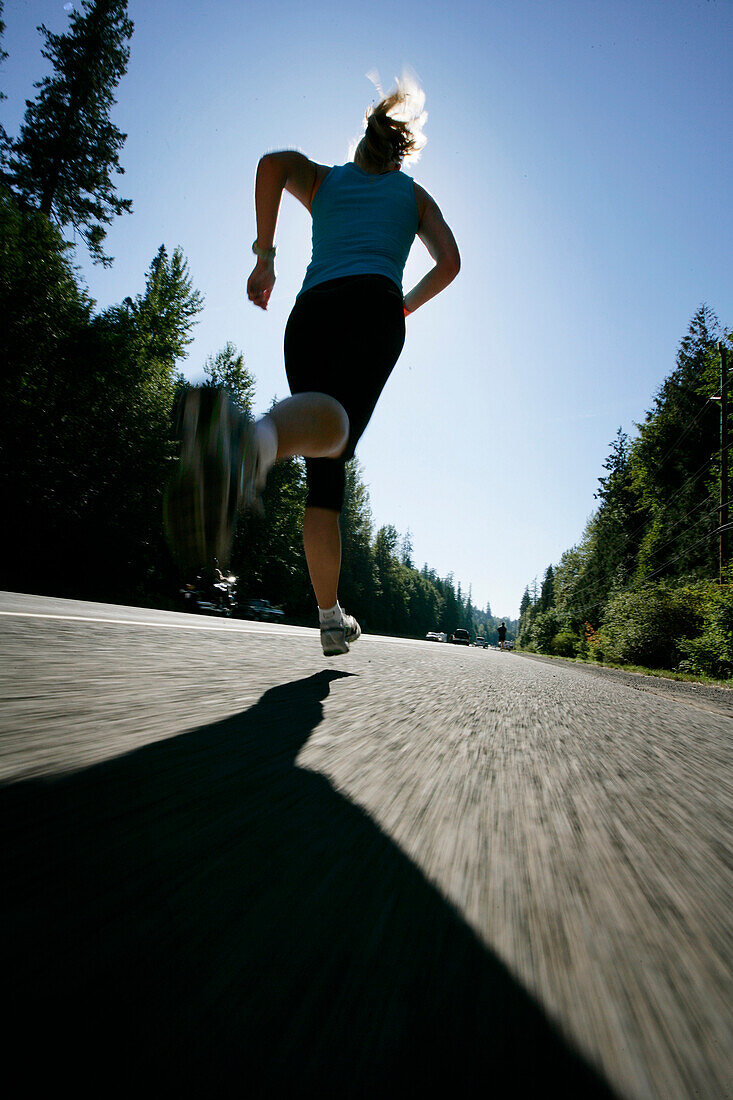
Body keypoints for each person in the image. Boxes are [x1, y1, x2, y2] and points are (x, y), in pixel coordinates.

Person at [164, 76, 460, 656]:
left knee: (325, 466)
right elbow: (449, 262)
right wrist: (405, 302)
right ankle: (249, 442)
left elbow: (273, 164)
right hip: (372, 307)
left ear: (361, 145)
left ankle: (330, 618)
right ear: (399, 152)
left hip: (311, 314)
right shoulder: (413, 196)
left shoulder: (327, 179)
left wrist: (266, 257)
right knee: (338, 426)